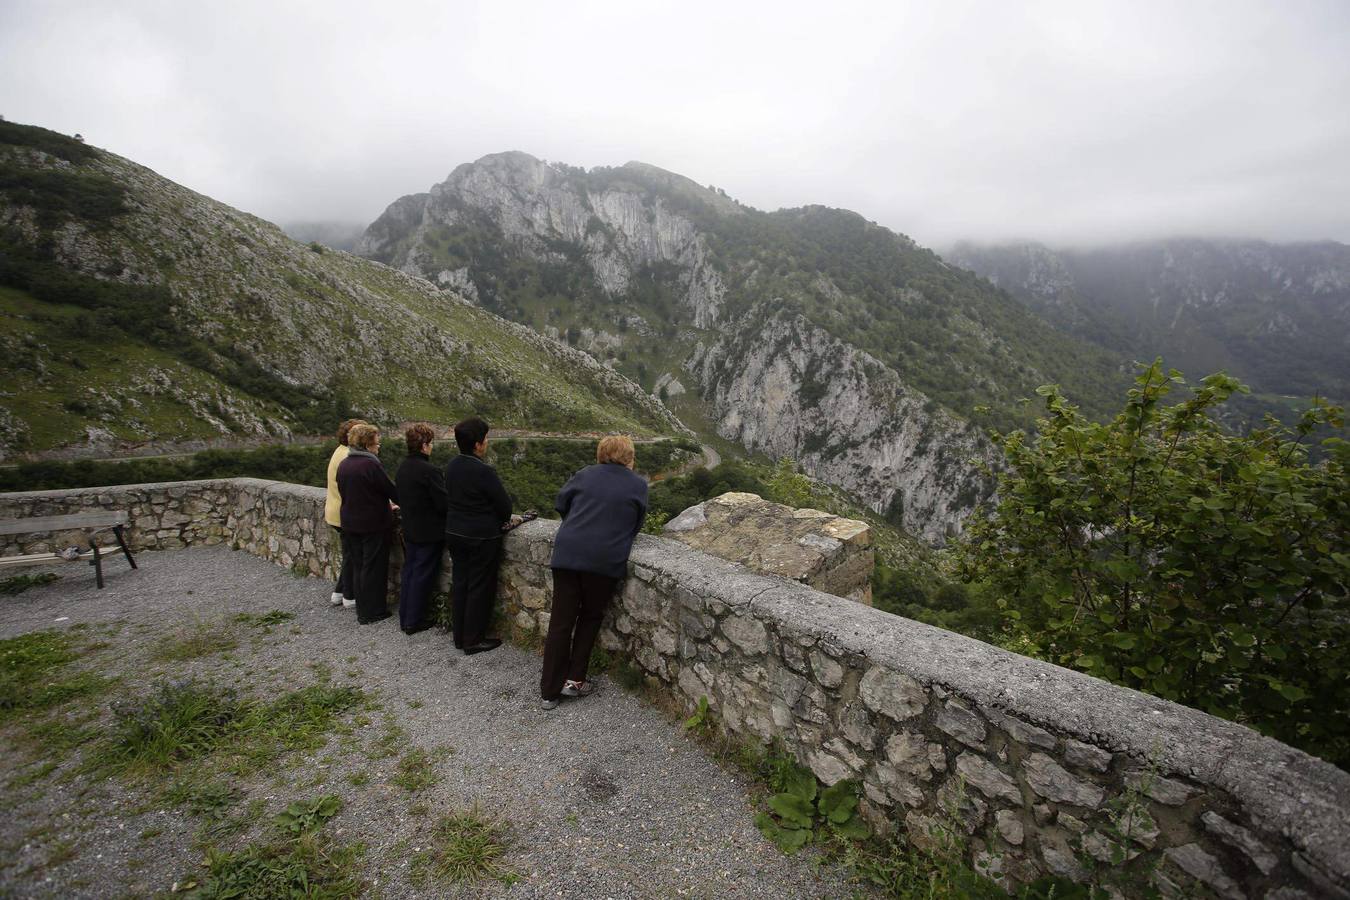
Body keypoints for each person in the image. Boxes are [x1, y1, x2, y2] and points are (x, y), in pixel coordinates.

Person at [540, 435, 648, 710]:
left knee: (561, 622)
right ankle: (575, 681)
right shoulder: (637, 484)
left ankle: (549, 692)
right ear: (628, 458)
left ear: (601, 455)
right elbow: (635, 524)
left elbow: (561, 504)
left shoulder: (584, 474)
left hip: (567, 554)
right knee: (589, 617)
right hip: (604, 560)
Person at [443, 416, 516, 655]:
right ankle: (473, 640)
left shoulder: (451, 466)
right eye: (485, 439)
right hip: (480, 536)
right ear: (477, 444)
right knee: (479, 587)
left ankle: (459, 636)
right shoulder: (484, 471)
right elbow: (504, 507)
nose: (486, 443)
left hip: (454, 531)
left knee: (461, 583)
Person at [336, 423, 398, 625]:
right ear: (367, 443)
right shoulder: (370, 465)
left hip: (350, 523)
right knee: (374, 568)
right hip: (372, 524)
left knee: (359, 566)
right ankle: (373, 611)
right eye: (376, 440)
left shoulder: (345, 464)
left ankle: (362, 610)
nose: (379, 444)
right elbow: (390, 489)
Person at [395, 422, 447, 635]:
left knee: (409, 572)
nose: (432, 447)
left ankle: (405, 616)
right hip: (429, 531)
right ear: (424, 445)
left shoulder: (402, 468)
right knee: (422, 575)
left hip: (410, 528)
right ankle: (413, 621)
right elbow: (443, 504)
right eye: (431, 443)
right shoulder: (430, 470)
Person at [324, 418, 366, 608]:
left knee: (349, 552)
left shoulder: (339, 451)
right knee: (353, 555)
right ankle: (350, 596)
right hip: (344, 513)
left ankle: (339, 592)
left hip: (334, 511)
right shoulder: (347, 456)